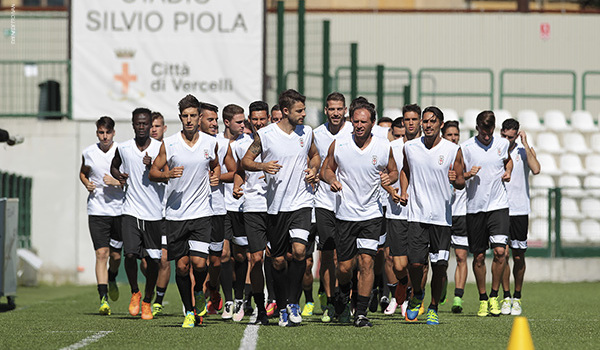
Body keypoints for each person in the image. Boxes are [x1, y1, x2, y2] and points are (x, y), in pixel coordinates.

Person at [241, 89, 320, 327]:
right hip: (276, 208)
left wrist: (314, 169)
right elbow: (246, 161)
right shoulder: (265, 135)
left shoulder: (306, 132)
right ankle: (282, 306)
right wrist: (263, 165)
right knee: (277, 261)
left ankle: (294, 303)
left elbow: (315, 156)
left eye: (304, 110)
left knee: (299, 252)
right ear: (285, 111)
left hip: (302, 203)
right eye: (300, 110)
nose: (304, 114)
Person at [321, 97, 398, 328]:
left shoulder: (383, 147)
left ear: (372, 123)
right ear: (351, 121)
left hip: (372, 215)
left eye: (363, 122)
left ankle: (361, 313)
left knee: (366, 262)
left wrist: (389, 178)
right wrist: (332, 179)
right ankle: (344, 293)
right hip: (345, 215)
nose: (359, 126)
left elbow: (393, 171)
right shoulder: (340, 145)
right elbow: (326, 168)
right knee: (344, 267)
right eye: (355, 122)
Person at [148, 94, 220, 328]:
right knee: (181, 266)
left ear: (200, 117)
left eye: (192, 115)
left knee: (200, 264)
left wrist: (216, 175)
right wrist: (166, 174)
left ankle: (199, 290)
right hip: (176, 215)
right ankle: (189, 311)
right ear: (180, 118)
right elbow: (153, 172)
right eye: (185, 116)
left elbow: (215, 164)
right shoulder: (169, 144)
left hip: (201, 213)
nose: (189, 120)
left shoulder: (210, 143)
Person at [400, 107, 465, 325]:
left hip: (441, 218)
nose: (428, 125)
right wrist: (403, 190)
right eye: (425, 121)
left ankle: (434, 307)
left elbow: (461, 182)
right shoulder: (409, 147)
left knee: (439, 266)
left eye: (432, 121)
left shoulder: (452, 149)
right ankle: (417, 294)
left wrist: (456, 179)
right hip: (417, 215)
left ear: (441, 124)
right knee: (416, 264)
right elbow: (405, 171)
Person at [110, 108, 165, 321]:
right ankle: (135, 292)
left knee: (153, 261)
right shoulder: (123, 148)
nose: (142, 127)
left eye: (145, 124)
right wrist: (119, 176)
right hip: (130, 210)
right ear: (133, 125)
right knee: (130, 254)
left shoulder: (161, 148)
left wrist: (154, 167)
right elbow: (114, 166)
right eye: (138, 124)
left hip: (154, 213)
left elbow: (170, 173)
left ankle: (147, 300)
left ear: (151, 125)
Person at [461, 110, 512, 317]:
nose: (487, 135)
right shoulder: (466, 148)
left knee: (500, 252)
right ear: (477, 128)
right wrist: (467, 174)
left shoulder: (502, 144)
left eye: (490, 130)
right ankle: (482, 298)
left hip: (498, 206)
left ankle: (493, 296)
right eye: (484, 131)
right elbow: (456, 176)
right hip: (475, 208)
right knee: (479, 256)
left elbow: (508, 161)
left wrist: (508, 171)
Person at [312, 92, 352, 322]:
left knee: (345, 257)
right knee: (327, 253)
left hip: (348, 203)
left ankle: (344, 298)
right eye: (331, 109)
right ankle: (329, 301)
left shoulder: (353, 133)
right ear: (325, 110)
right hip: (324, 201)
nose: (336, 113)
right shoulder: (316, 134)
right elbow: (311, 160)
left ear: (345, 110)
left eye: (339, 109)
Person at [79, 116, 123, 315]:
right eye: (101, 133)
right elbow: (83, 172)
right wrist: (86, 183)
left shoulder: (122, 151)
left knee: (115, 255)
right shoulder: (89, 152)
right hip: (97, 210)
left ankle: (112, 277)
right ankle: (103, 298)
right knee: (101, 254)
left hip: (120, 210)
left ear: (113, 133)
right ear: (97, 133)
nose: (104, 136)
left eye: (107, 132)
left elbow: (133, 178)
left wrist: (117, 182)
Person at [233, 100, 271, 325]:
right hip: (253, 206)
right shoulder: (242, 146)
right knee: (256, 258)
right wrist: (238, 186)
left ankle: (283, 303)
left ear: (268, 118)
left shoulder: (277, 140)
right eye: (254, 119)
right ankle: (260, 308)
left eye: (262, 119)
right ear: (249, 120)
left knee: (278, 259)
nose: (258, 123)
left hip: (277, 206)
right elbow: (239, 170)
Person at [500, 118, 541, 316]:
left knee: (518, 255)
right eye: (504, 136)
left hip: (520, 210)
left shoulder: (524, 151)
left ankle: (517, 297)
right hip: (499, 210)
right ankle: (506, 297)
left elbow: (536, 169)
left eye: (511, 137)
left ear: (517, 135)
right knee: (502, 254)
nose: (507, 140)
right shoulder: (495, 150)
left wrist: (525, 144)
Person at [198, 102, 236, 317]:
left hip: (217, 208)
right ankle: (195, 302)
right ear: (199, 120)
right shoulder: (186, 144)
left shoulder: (222, 145)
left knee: (219, 257)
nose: (214, 123)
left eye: (216, 120)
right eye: (210, 119)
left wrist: (217, 177)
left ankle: (213, 287)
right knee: (195, 259)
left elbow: (234, 172)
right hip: (193, 210)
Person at [220, 104, 253, 321]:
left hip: (240, 206)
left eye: (244, 121)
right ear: (227, 123)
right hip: (219, 206)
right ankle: (228, 300)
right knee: (223, 255)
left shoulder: (249, 143)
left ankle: (240, 297)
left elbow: (245, 172)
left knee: (241, 255)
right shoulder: (215, 143)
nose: (244, 125)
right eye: (239, 122)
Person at [441, 120, 469, 313]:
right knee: (440, 261)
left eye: (456, 135)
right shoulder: (439, 153)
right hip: (442, 213)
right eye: (450, 135)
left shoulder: (465, 153)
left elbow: (463, 177)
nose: (453, 138)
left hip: (461, 214)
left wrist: (464, 175)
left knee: (461, 256)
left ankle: (458, 297)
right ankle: (439, 290)